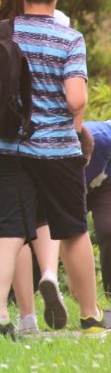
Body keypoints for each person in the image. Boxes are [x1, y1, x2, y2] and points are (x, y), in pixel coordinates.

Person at [0, 0, 110, 338]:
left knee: (10, 232)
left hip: (9, 149)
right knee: (73, 230)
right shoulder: (69, 38)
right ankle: (90, 317)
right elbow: (76, 99)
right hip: (58, 151)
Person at [81, 122, 111, 299]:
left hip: (105, 180)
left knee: (109, 228)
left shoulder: (103, 138)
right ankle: (15, 297)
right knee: (48, 235)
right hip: (68, 183)